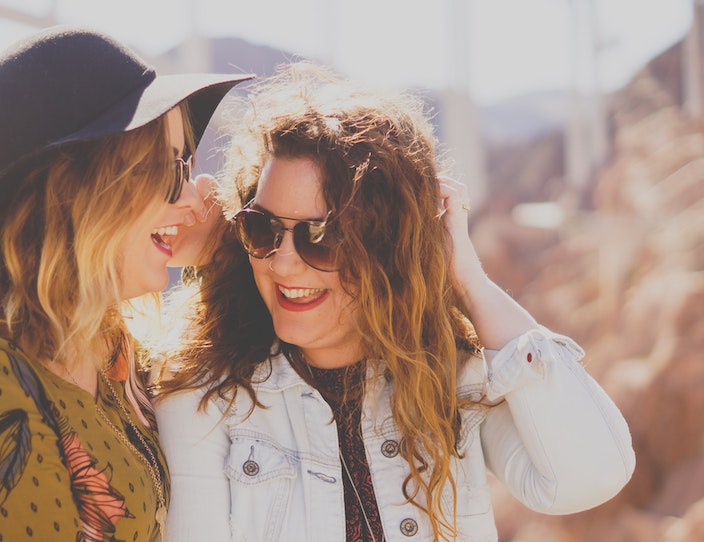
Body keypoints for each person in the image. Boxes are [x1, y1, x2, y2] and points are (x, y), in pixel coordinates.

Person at [152, 62, 635, 541]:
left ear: (387, 248)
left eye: (321, 235)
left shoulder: (449, 381)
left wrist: (468, 279)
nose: (282, 263)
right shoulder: (205, 397)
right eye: (264, 229)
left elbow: (588, 476)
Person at [0, 25, 251, 542]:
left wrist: (229, 252)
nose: (193, 200)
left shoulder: (102, 337)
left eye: (188, 166)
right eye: (170, 169)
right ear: (77, 189)